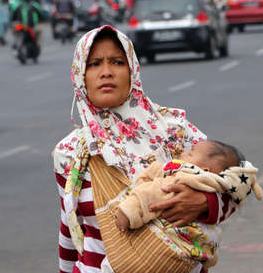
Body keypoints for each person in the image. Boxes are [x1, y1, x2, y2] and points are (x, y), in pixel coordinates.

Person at [53, 26, 251, 273]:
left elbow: (239, 185)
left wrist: (205, 203)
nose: (106, 72)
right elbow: (70, 229)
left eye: (116, 62)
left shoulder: (175, 131)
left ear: (132, 70)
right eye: (94, 64)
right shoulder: (70, 152)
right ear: (80, 75)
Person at [112, 140, 263, 270]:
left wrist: (127, 214)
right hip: (194, 255)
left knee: (109, 268)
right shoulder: (220, 190)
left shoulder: (184, 178)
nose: (182, 153)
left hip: (159, 251)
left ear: (204, 170)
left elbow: (148, 195)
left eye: (189, 154)